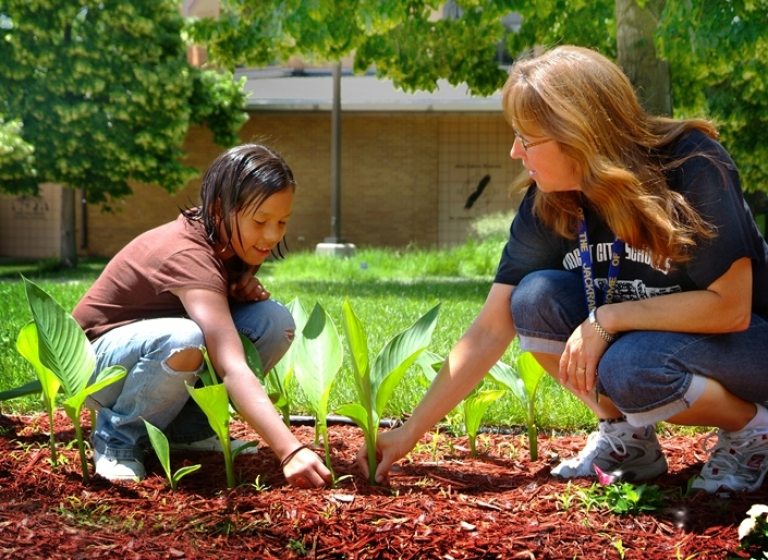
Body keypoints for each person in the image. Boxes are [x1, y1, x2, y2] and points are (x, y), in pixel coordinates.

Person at [358, 45, 768, 494]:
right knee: (534, 298)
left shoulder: (691, 163)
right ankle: (629, 442)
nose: (515, 152)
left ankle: (754, 431)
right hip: (653, 343)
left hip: (749, 343)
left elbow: (731, 309)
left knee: (632, 365)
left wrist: (607, 319)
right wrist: (407, 434)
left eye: (527, 139)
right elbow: (491, 329)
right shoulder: (551, 201)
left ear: (577, 136)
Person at [73, 143, 332, 488]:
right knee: (183, 340)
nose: (272, 235)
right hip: (93, 366)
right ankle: (118, 439)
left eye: (282, 221)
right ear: (218, 210)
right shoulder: (188, 252)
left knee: (272, 322)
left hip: (144, 354)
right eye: (260, 221)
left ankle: (189, 432)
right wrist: (289, 449)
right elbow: (231, 363)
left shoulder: (234, 240)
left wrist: (235, 292)